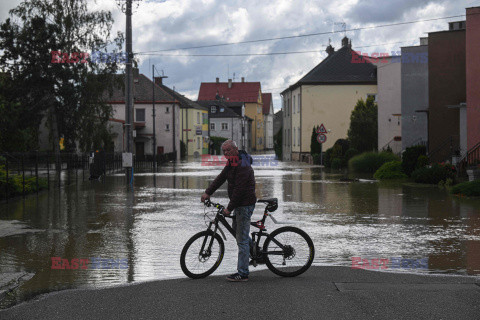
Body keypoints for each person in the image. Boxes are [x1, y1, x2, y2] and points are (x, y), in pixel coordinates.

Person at [201, 140, 256, 282]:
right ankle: (254, 251)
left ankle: (243, 273)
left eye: (228, 150)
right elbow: (221, 178)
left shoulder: (242, 165)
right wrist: (208, 192)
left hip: (244, 204)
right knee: (238, 231)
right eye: (223, 151)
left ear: (235, 149)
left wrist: (229, 208)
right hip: (239, 204)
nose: (225, 153)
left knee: (241, 239)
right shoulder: (232, 162)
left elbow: (239, 190)